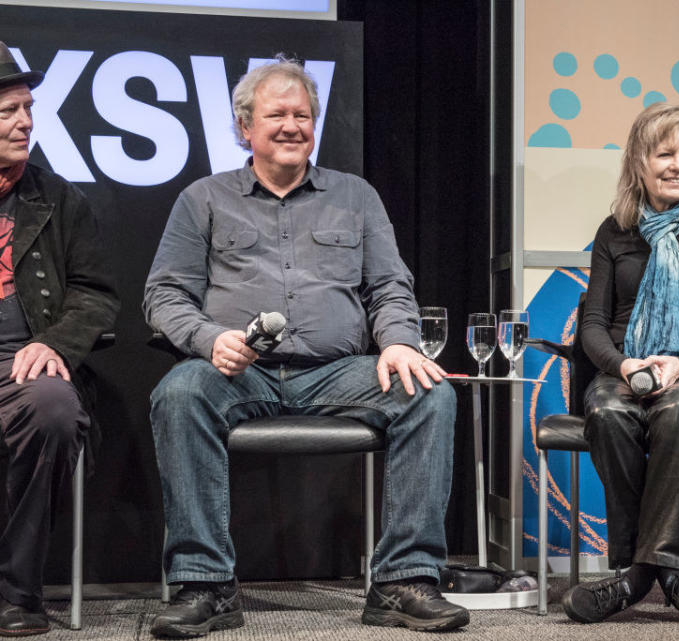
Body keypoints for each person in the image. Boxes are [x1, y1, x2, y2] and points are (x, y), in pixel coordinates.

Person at [143, 55, 467, 637]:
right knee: (179, 390)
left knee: (428, 393)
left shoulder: (357, 197)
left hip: (337, 369)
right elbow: (164, 295)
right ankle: (206, 585)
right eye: (277, 115)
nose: (292, 125)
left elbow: (391, 286)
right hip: (242, 372)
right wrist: (209, 339)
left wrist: (398, 342)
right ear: (245, 127)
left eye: (302, 115)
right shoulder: (204, 198)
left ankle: (402, 581)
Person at [561, 103, 679, 625]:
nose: (678, 165)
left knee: (676, 408)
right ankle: (668, 574)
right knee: (607, 412)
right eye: (665, 153)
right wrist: (623, 367)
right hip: (625, 371)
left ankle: (633, 576)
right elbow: (593, 325)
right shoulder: (614, 232)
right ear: (639, 163)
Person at [0, 42, 119, 636]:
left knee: (53, 410)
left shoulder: (59, 199)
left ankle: (17, 593)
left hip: (20, 368)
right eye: (7, 112)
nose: (25, 122)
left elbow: (96, 293)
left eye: (28, 109)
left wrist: (59, 345)